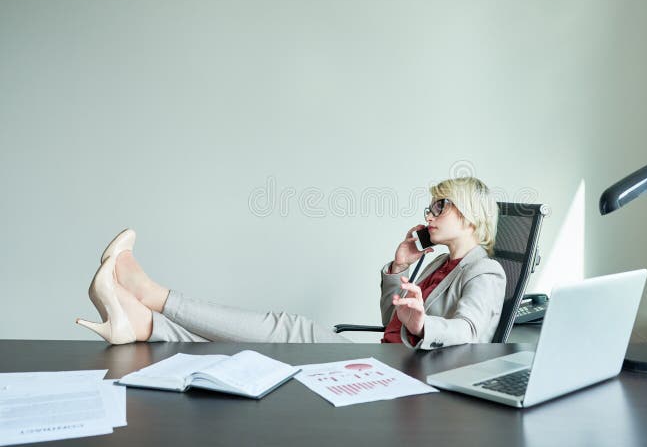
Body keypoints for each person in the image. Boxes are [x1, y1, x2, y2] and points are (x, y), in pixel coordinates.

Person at [76, 176, 506, 349]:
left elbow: (469, 333)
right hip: (389, 361)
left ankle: (151, 297)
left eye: (440, 206)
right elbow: (391, 323)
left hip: (406, 379)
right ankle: (143, 323)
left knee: (287, 330)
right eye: (429, 206)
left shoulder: (484, 270)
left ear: (469, 213)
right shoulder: (437, 265)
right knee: (268, 341)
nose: (429, 214)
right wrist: (397, 270)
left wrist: (420, 324)